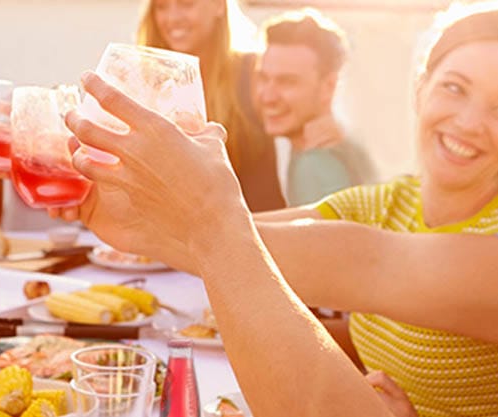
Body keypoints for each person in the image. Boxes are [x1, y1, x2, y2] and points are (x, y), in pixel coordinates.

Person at [56, 2, 498, 415]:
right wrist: (129, 219)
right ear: (421, 89)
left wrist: (204, 211)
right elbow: (252, 244)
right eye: (455, 88)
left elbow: (360, 261)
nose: (470, 122)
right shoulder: (387, 203)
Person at [137, 0, 285, 211]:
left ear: (218, 5)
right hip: (185, 234)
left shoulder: (253, 71)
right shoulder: (152, 81)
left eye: (186, 4)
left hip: (256, 228)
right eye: (161, 7)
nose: (172, 18)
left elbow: (306, 114)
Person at [255, 9, 376, 206]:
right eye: (263, 78)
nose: (268, 97)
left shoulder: (315, 165)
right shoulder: (343, 148)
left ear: (328, 87)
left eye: (287, 82)